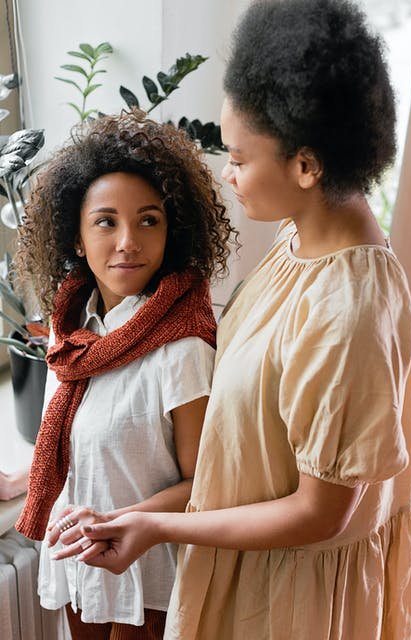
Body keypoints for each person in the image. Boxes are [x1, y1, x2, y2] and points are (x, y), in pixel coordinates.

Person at [53, 1, 411, 638]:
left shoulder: (347, 312)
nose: (227, 175)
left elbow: (321, 513)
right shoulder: (299, 238)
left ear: (307, 167)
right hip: (248, 564)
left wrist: (157, 525)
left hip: (291, 595)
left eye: (239, 157)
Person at [13, 110, 235, 639]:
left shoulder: (180, 347)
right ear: (76, 238)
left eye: (149, 220)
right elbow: (88, 445)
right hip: (78, 568)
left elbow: (203, 485)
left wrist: (122, 521)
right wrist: (28, 479)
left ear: (171, 231)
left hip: (148, 584)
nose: (128, 240)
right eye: (106, 221)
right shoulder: (72, 337)